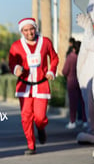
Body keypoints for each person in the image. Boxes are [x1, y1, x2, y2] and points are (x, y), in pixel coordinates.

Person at [9, 18, 59, 155]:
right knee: (26, 117)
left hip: (41, 85)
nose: (29, 32)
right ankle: (31, 144)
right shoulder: (16, 46)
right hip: (24, 87)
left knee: (40, 117)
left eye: (31, 29)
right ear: (22, 32)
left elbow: (54, 58)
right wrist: (16, 68)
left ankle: (41, 128)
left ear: (35, 28)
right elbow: (11, 62)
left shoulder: (45, 42)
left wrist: (51, 71)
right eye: (26, 30)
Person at [62, 41, 87, 129]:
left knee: (73, 103)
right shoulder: (83, 57)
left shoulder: (70, 57)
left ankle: (72, 122)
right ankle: (85, 121)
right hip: (83, 81)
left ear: (73, 48)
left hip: (72, 81)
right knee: (83, 102)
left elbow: (65, 71)